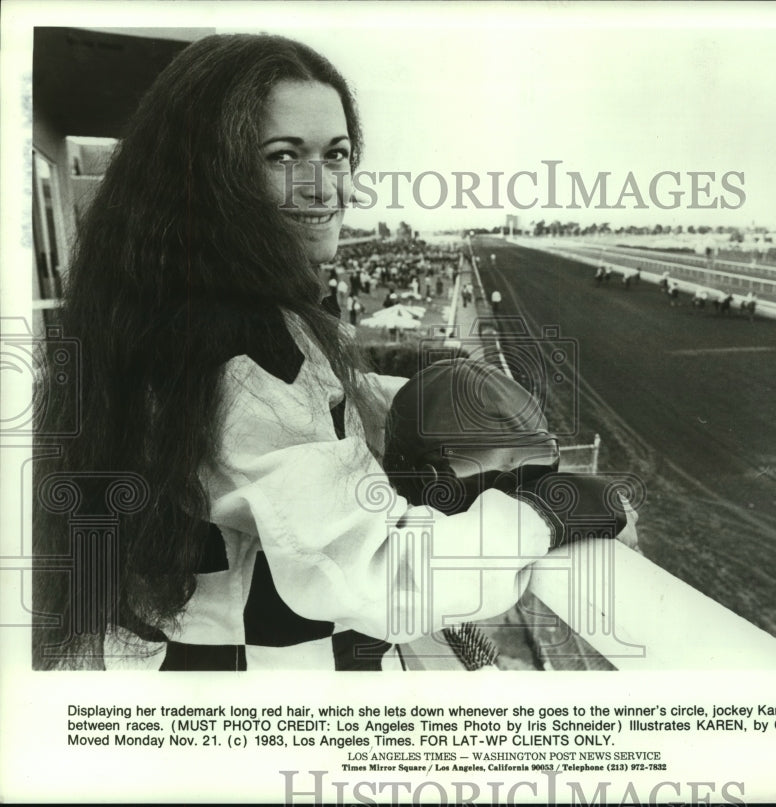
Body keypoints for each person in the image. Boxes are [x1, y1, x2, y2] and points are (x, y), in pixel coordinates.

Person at [32, 33, 639, 672]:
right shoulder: (240, 344)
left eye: (337, 154)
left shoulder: (169, 307)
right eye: (283, 155)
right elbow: (378, 577)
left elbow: (274, 451)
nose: (323, 188)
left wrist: (397, 420)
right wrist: (550, 510)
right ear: (208, 174)